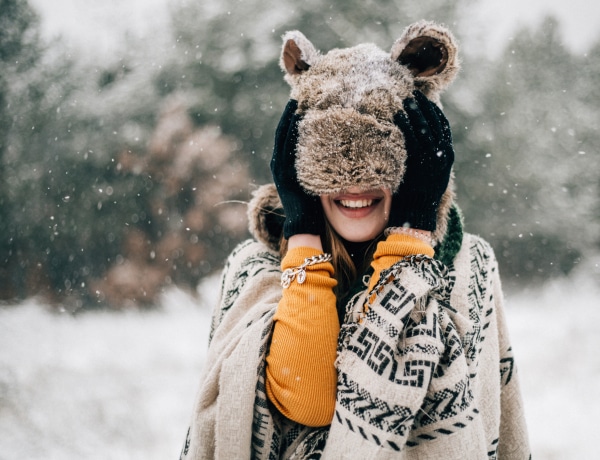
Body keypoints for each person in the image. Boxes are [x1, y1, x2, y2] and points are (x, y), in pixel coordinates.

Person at [181, 21, 530, 460]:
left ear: (416, 161)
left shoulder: (468, 266)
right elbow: (309, 403)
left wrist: (412, 229)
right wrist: (302, 230)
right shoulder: (257, 270)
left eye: (377, 159)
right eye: (327, 163)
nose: (354, 183)